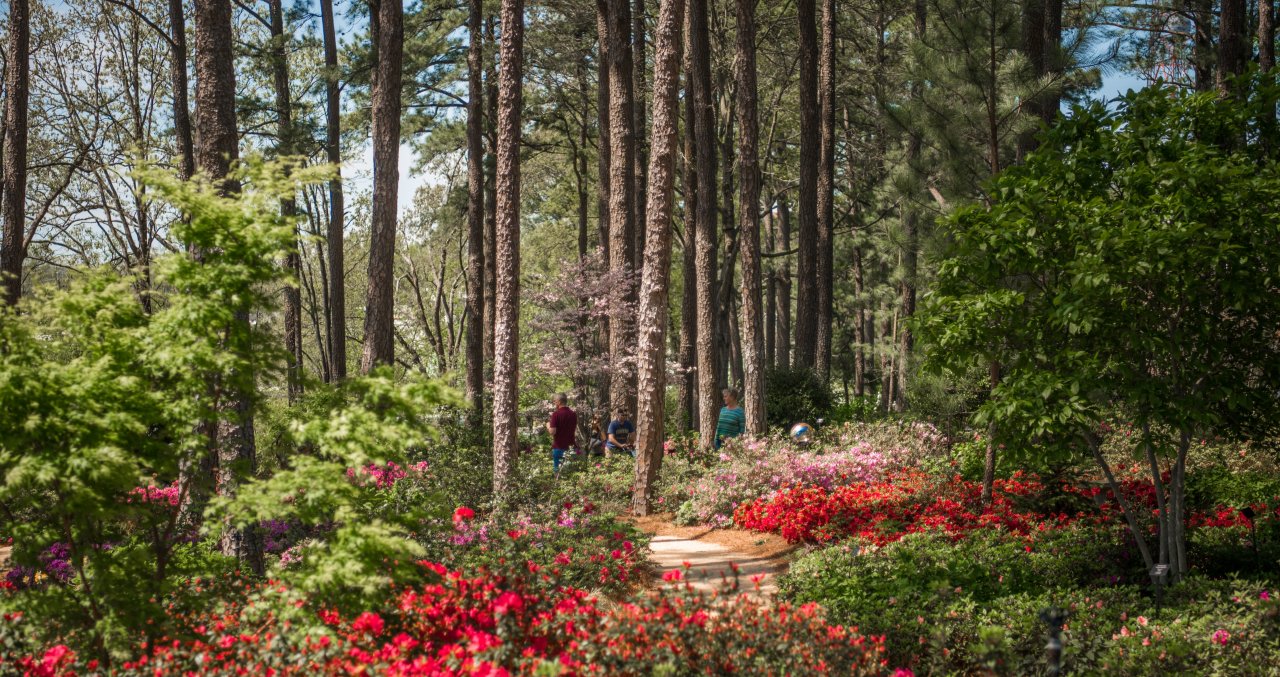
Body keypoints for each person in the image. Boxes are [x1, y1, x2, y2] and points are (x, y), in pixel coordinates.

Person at [547, 393, 578, 475]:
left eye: (554, 401)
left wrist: (548, 425)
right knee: (570, 474)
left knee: (558, 473)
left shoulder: (556, 414)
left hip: (559, 447)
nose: (554, 403)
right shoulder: (573, 414)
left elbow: (552, 432)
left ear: (559, 402)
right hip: (571, 446)